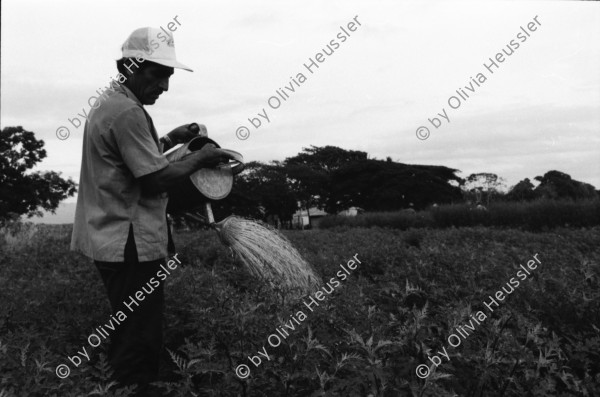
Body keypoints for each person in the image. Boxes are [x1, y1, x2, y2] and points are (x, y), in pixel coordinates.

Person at [70, 26, 233, 395]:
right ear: (128, 66)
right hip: (129, 242)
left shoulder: (113, 104)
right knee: (138, 335)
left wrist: (173, 139)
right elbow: (157, 178)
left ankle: (123, 384)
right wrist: (203, 157)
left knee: (132, 326)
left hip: (110, 237)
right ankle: (131, 388)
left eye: (168, 77)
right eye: (158, 75)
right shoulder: (127, 111)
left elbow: (135, 156)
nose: (164, 86)